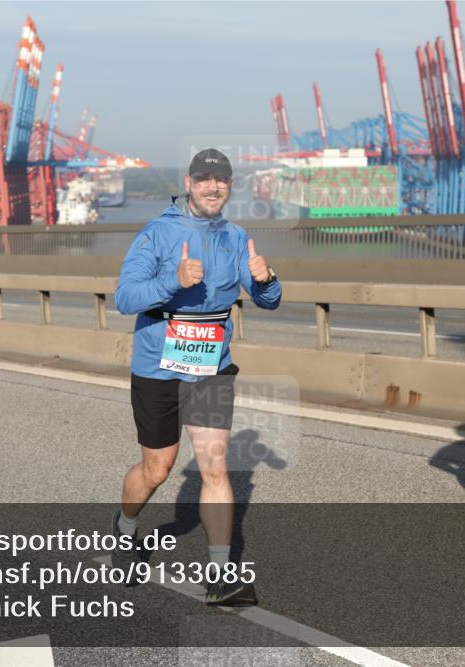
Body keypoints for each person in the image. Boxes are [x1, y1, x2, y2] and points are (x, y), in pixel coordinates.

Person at [112, 149, 282, 606]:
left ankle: (220, 575)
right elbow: (125, 298)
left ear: (230, 186)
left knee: (215, 466)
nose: (213, 186)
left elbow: (269, 300)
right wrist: (174, 281)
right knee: (157, 469)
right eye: (204, 178)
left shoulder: (236, 236)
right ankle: (125, 528)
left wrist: (266, 279)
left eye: (221, 179)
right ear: (188, 183)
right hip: (158, 368)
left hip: (211, 367)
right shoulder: (157, 233)